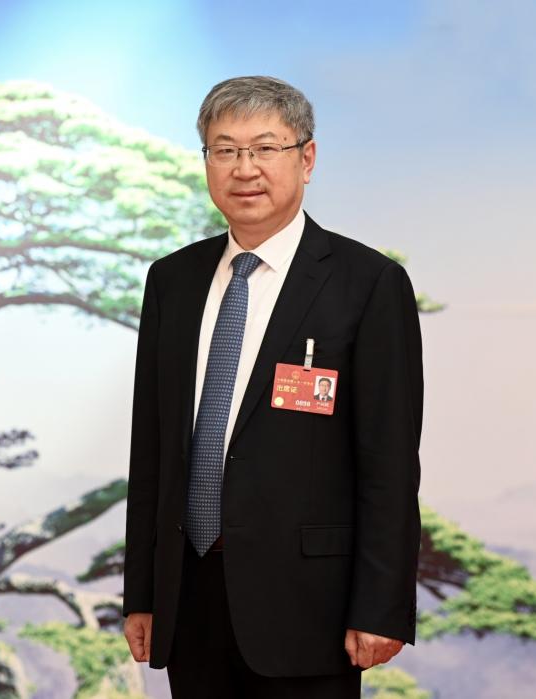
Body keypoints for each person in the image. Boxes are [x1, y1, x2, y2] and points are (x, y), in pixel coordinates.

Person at [121, 76, 423, 699]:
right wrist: (144, 594)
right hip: (190, 598)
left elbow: (389, 464)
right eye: (225, 150)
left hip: (310, 606)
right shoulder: (172, 280)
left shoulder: (367, 283)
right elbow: (151, 451)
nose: (244, 169)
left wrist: (382, 606)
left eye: (265, 148)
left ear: (306, 159)